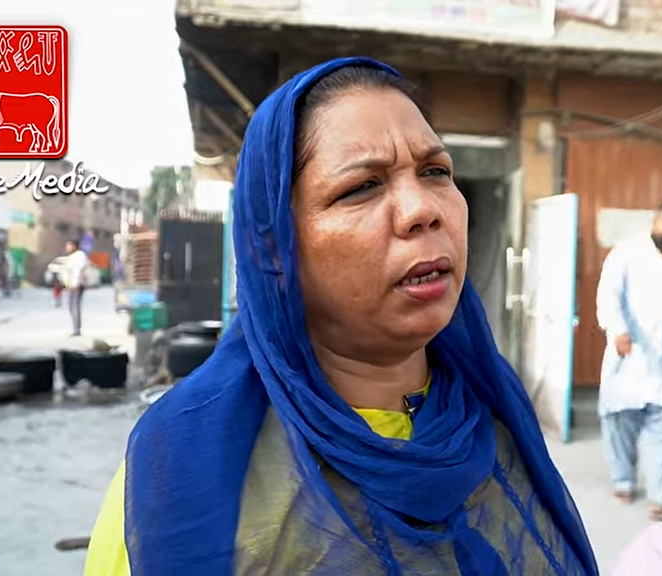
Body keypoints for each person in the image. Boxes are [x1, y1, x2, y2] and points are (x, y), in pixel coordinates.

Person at [83, 58, 598, 575]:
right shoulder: (184, 467)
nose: (423, 208)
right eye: (361, 187)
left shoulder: (495, 421)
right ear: (273, 250)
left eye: (436, 171)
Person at [595, 200, 662, 526]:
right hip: (632, 353)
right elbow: (608, 294)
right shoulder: (626, 253)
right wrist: (617, 330)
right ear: (655, 222)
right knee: (620, 423)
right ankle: (623, 479)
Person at [61, 240, 89, 337]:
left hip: (76, 286)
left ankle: (76, 329)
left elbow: (78, 271)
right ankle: (76, 328)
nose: (67, 247)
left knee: (74, 307)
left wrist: (75, 284)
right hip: (71, 286)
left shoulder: (80, 256)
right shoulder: (71, 257)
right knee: (71, 307)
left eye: (69, 245)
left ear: (74, 246)